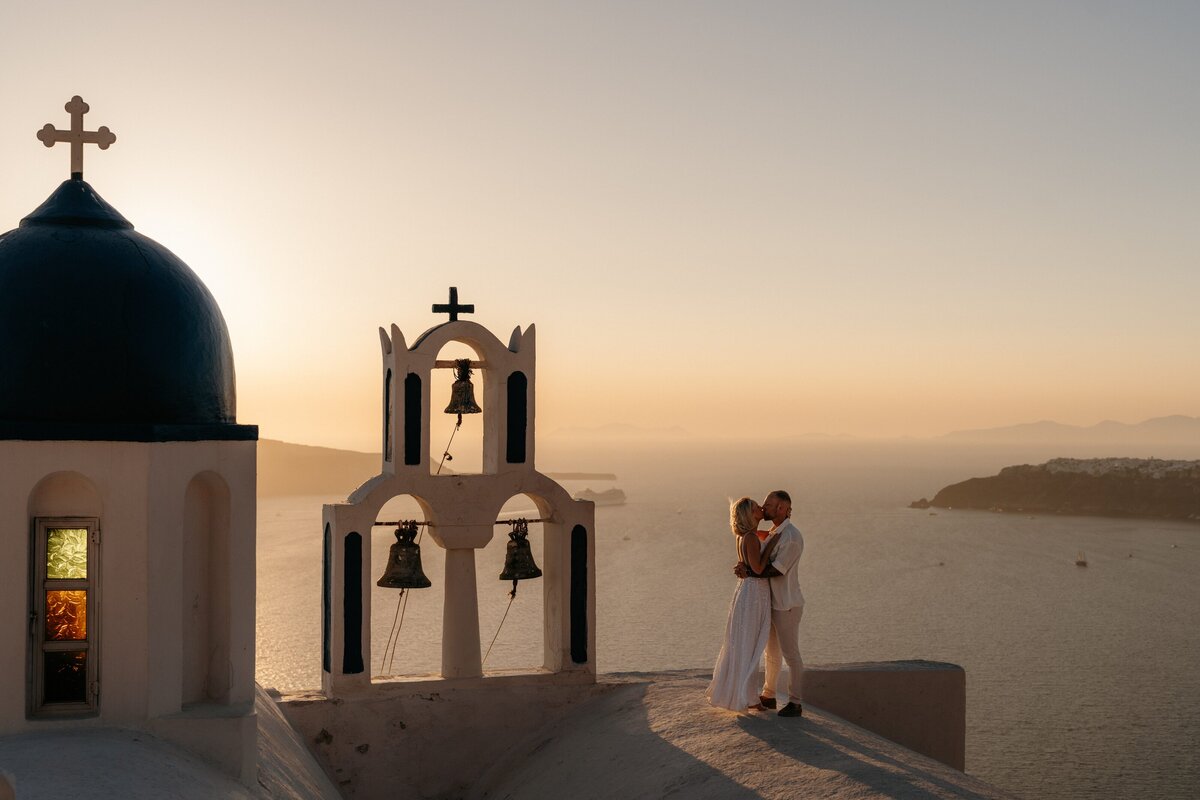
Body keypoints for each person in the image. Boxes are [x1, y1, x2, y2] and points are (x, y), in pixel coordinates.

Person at [736, 489, 805, 717]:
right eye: (763, 504)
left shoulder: (792, 538)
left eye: (769, 505)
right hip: (771, 603)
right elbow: (752, 542)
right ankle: (769, 695)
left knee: (791, 654)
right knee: (771, 653)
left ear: (783, 509)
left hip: (787, 604)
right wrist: (744, 563)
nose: (764, 508)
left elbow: (776, 570)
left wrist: (749, 572)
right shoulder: (775, 531)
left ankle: (795, 702)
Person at [707, 497, 778, 712]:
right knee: (750, 643)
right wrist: (771, 546)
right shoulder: (750, 538)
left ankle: (744, 693)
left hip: (746, 591)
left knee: (742, 643)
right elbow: (757, 569)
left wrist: (767, 539)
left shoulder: (744, 537)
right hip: (755, 592)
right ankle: (749, 698)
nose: (760, 509)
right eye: (756, 508)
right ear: (749, 514)